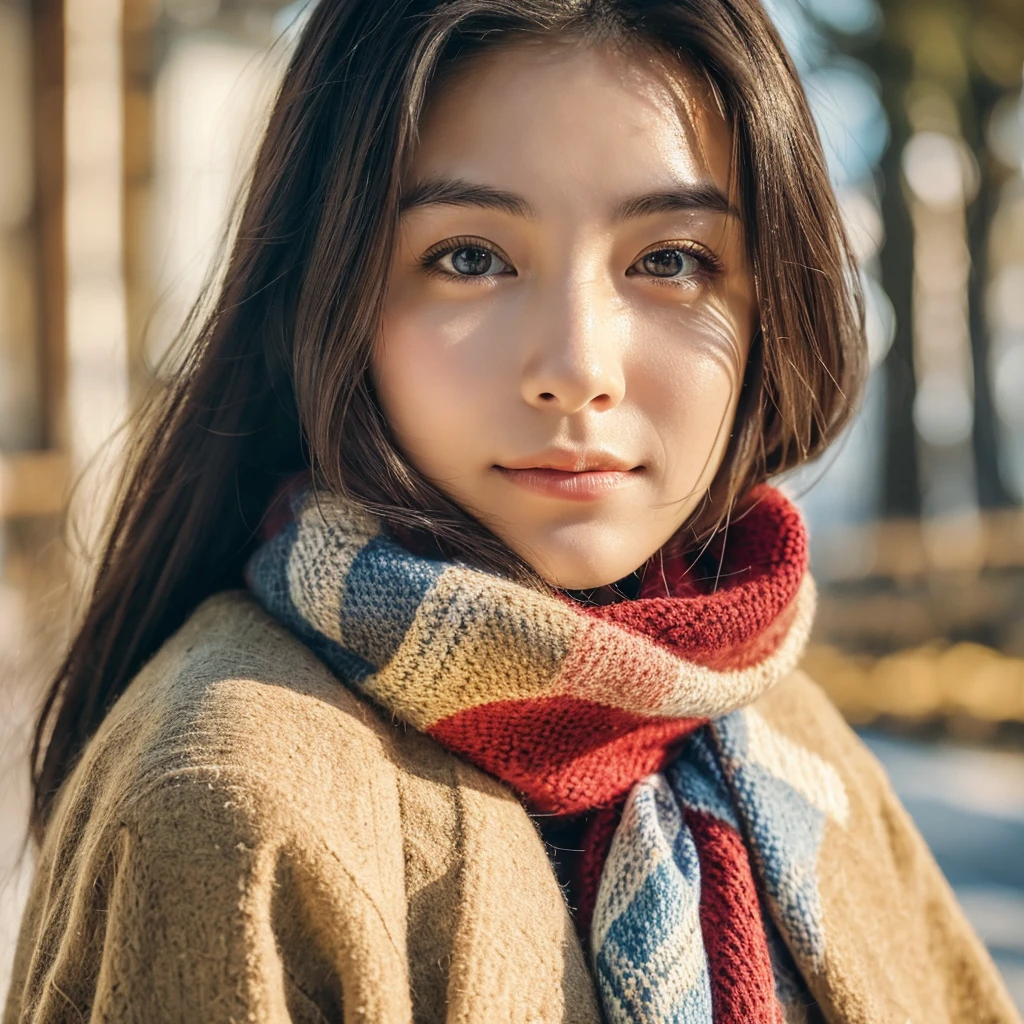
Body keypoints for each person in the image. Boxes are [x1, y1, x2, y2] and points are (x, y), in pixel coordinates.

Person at [5, 0, 1019, 1021]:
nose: (575, 369)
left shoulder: (771, 730)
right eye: (470, 258)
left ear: (767, 306)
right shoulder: (238, 804)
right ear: (327, 294)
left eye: (668, 259)